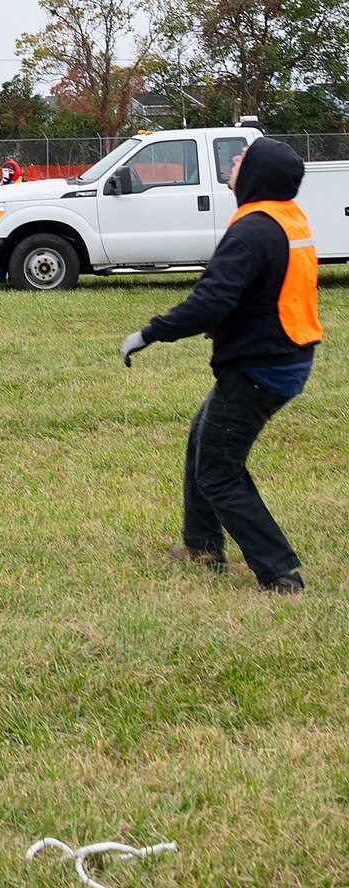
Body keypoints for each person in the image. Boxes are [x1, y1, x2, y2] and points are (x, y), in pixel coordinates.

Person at [122, 137, 321, 595]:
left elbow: (211, 300)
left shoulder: (253, 229)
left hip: (261, 368)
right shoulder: (284, 217)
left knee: (218, 470)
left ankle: (279, 574)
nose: (235, 161)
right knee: (202, 439)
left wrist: (150, 333)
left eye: (243, 159)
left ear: (256, 176)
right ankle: (202, 545)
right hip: (282, 357)